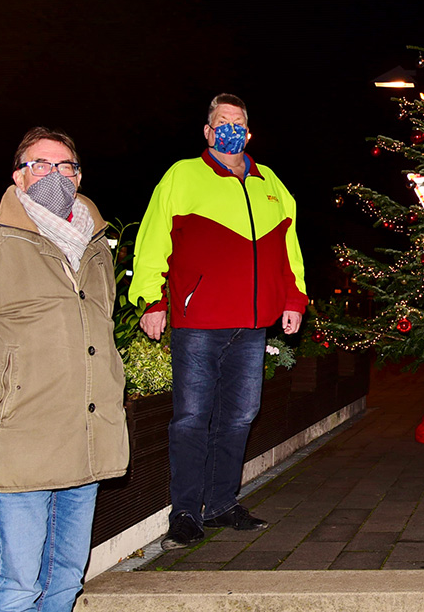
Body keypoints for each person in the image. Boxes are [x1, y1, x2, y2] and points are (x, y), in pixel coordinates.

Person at [0, 128, 129, 612]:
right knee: (20, 586)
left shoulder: (94, 246)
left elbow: (101, 331)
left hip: (86, 439)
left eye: (64, 166)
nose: (54, 175)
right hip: (23, 442)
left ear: (78, 176)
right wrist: (5, 403)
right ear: (18, 176)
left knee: (67, 577)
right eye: (40, 165)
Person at [129, 93, 307, 550]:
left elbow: (290, 249)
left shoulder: (270, 183)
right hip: (199, 321)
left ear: (249, 132)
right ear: (207, 132)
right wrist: (152, 299)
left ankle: (223, 502)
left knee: (241, 415)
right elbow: (153, 240)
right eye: (222, 122)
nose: (231, 128)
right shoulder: (183, 175)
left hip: (252, 325)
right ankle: (186, 513)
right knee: (191, 417)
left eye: (239, 122)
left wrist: (294, 298)